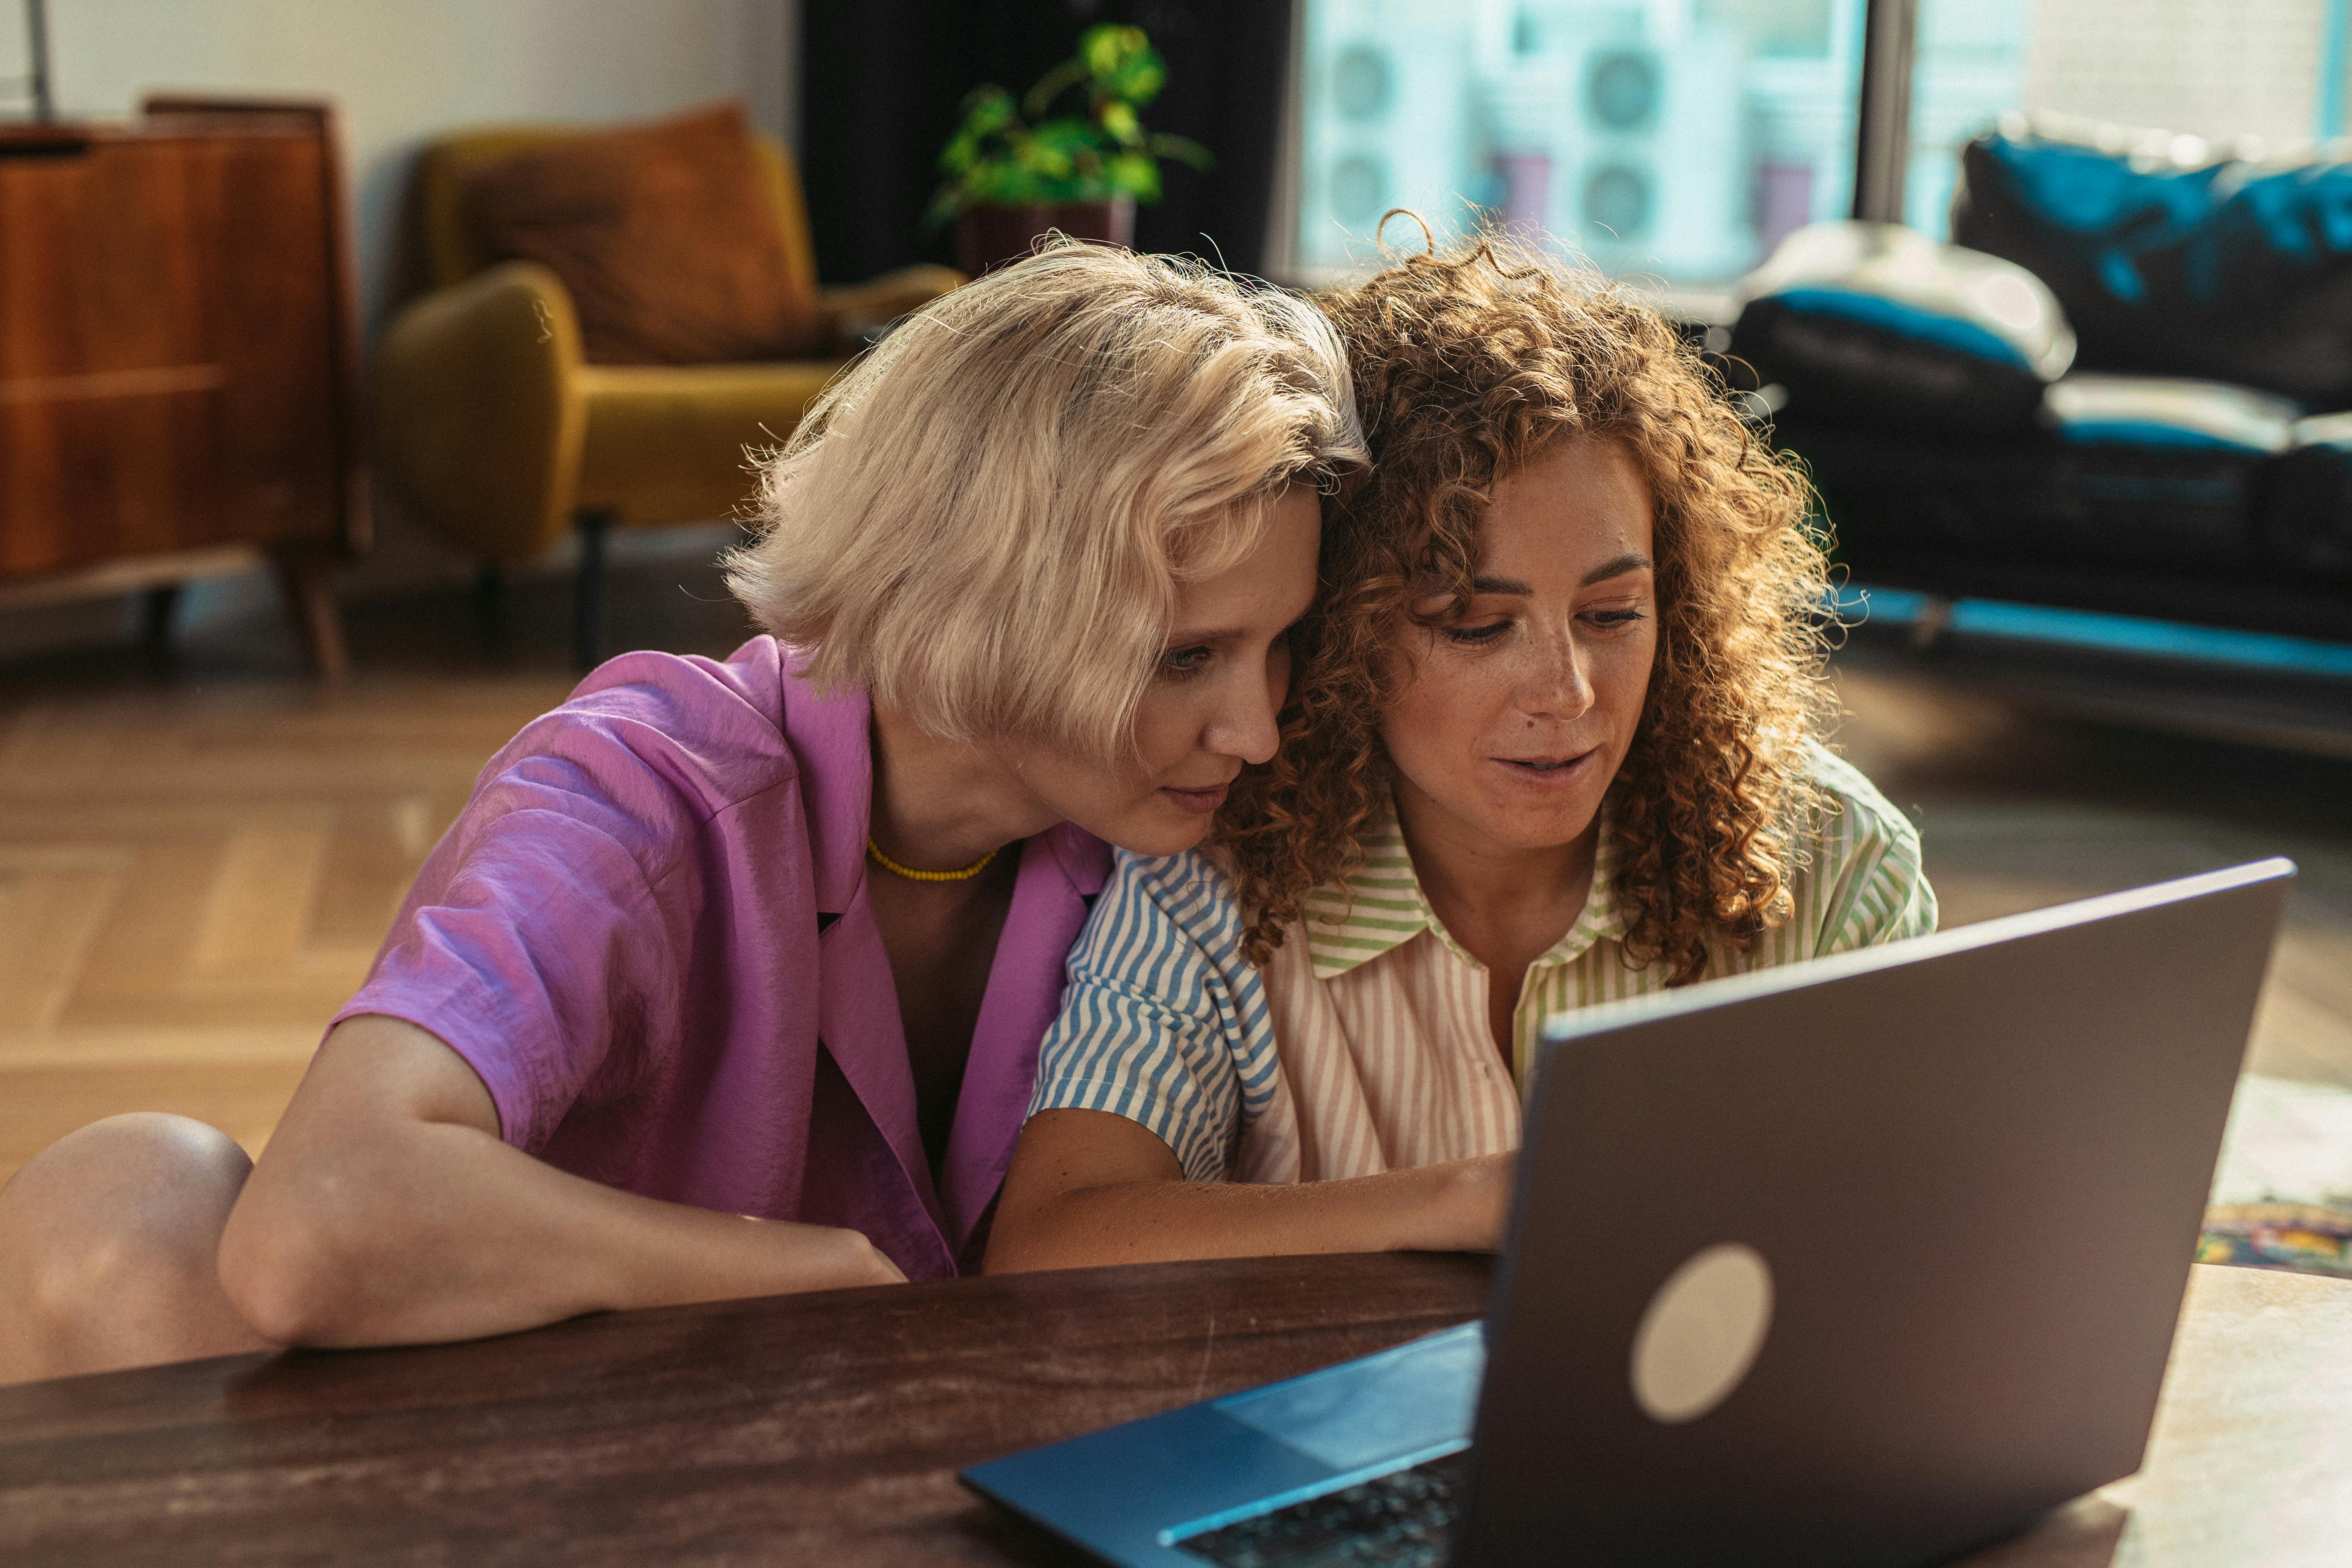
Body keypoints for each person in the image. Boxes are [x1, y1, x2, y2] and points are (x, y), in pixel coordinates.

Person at [0, 243, 1365, 1383]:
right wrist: (803, 1277)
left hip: (949, 1460)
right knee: (124, 1197)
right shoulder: (634, 797)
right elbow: (322, 1223)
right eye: (1184, 657)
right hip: (580, 1445)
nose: (1255, 729)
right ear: (983, 595)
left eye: (1276, 645)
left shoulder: (1159, 836)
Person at [986, 236, 1938, 1272]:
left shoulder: (1835, 861)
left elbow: (1917, 1242)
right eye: (1477, 626)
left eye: (1614, 613)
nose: (1569, 694)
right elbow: (1052, 1240)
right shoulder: (1209, 881)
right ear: (1345, 632)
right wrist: (1458, 1202)